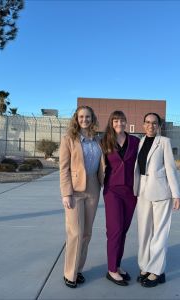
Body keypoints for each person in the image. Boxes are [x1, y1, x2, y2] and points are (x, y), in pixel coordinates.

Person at [133, 112, 180, 288]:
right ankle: (145, 266)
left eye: (154, 123)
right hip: (143, 190)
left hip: (161, 191)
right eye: (147, 122)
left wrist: (176, 194)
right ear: (143, 124)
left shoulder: (164, 142)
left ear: (159, 125)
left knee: (160, 233)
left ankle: (157, 271)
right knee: (144, 231)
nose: (150, 126)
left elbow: (171, 169)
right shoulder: (139, 142)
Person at [59, 105, 105, 288]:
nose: (84, 119)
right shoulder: (69, 139)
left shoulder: (98, 140)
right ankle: (69, 273)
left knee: (86, 233)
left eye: (87, 117)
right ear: (76, 119)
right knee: (75, 232)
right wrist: (66, 193)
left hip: (94, 187)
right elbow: (63, 169)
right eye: (81, 117)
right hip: (75, 190)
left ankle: (78, 269)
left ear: (92, 119)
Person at [101, 111, 140, 286]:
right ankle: (111, 270)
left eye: (122, 120)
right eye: (115, 120)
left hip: (131, 192)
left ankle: (117, 265)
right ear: (111, 122)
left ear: (126, 122)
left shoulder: (135, 142)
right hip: (112, 191)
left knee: (123, 230)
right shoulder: (104, 142)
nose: (119, 123)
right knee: (115, 230)